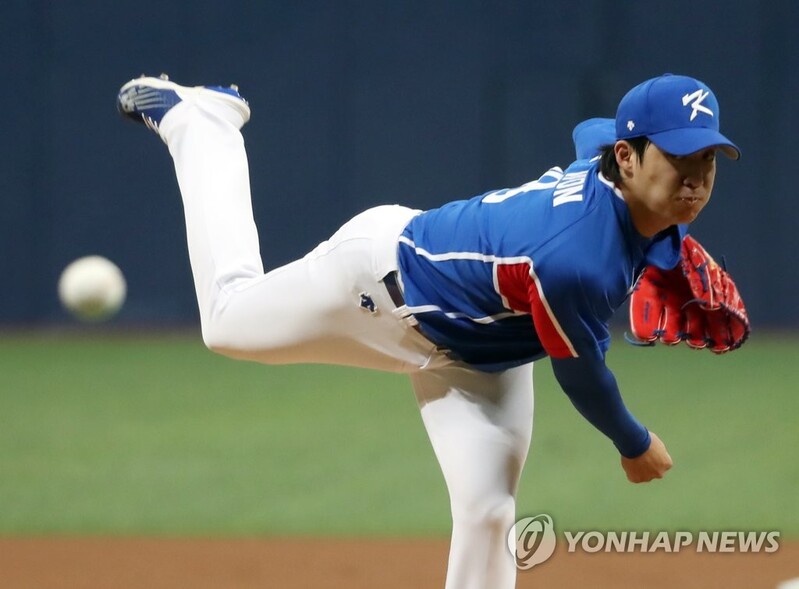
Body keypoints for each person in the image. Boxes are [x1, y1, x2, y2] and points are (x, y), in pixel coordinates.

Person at [117, 73, 740, 589]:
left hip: (481, 354)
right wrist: (633, 444)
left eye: (707, 157)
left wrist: (671, 235)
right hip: (376, 284)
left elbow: (590, 132)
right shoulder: (575, 259)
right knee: (226, 322)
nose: (696, 175)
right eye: (679, 156)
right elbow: (580, 373)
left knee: (487, 512)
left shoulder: (610, 160)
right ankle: (203, 124)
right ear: (628, 158)